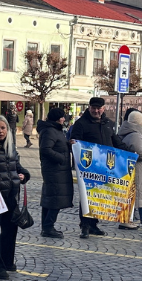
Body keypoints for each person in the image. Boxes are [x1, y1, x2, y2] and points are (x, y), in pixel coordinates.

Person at [0, 115, 28, 279]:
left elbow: (18, 167)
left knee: (10, 230)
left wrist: (24, 174)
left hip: (10, 195)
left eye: (3, 128)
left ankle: (7, 261)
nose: (0, 131)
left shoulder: (11, 148)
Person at [69, 97, 115, 237]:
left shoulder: (108, 124)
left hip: (103, 166)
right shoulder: (81, 124)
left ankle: (94, 224)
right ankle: (85, 225)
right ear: (89, 108)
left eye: (98, 108)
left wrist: (130, 153)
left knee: (98, 196)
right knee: (86, 196)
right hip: (87, 167)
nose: (96, 111)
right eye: (93, 108)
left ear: (103, 108)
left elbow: (115, 140)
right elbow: (75, 143)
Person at [117, 110, 142, 229]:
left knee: (131, 194)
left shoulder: (126, 131)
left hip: (129, 168)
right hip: (137, 169)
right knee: (137, 194)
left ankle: (128, 219)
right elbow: (141, 154)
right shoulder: (135, 135)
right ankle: (134, 220)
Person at [37, 107, 72, 238]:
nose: (64, 119)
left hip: (56, 170)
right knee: (55, 199)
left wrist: (68, 145)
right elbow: (46, 149)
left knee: (50, 198)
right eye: (63, 117)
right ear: (58, 119)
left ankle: (47, 227)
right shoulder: (50, 131)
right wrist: (61, 158)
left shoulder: (54, 130)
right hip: (54, 170)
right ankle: (48, 227)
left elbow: (58, 145)